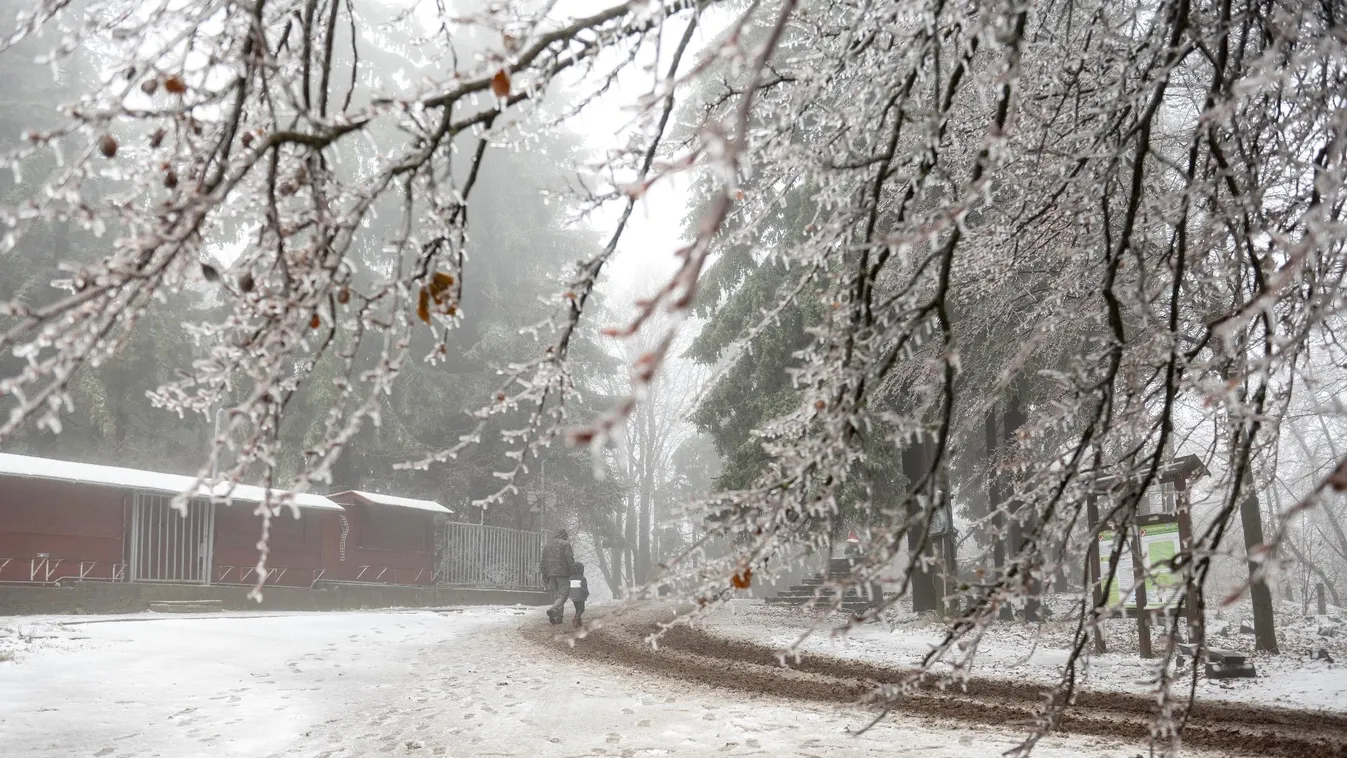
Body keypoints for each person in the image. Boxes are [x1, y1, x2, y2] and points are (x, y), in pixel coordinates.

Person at [539, 528, 574, 625]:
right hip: (563, 573)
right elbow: (569, 559)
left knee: (557, 596)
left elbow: (543, 562)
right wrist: (573, 571)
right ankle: (553, 610)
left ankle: (559, 618)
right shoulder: (565, 544)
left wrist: (544, 574)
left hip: (550, 574)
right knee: (563, 594)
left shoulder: (547, 546)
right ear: (565, 536)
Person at [569, 561, 590, 628]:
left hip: (573, 596)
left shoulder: (571, 579)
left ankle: (579, 622)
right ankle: (575, 618)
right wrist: (586, 594)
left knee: (577, 609)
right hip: (580, 596)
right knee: (581, 609)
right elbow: (584, 588)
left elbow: (569, 588)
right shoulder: (582, 579)